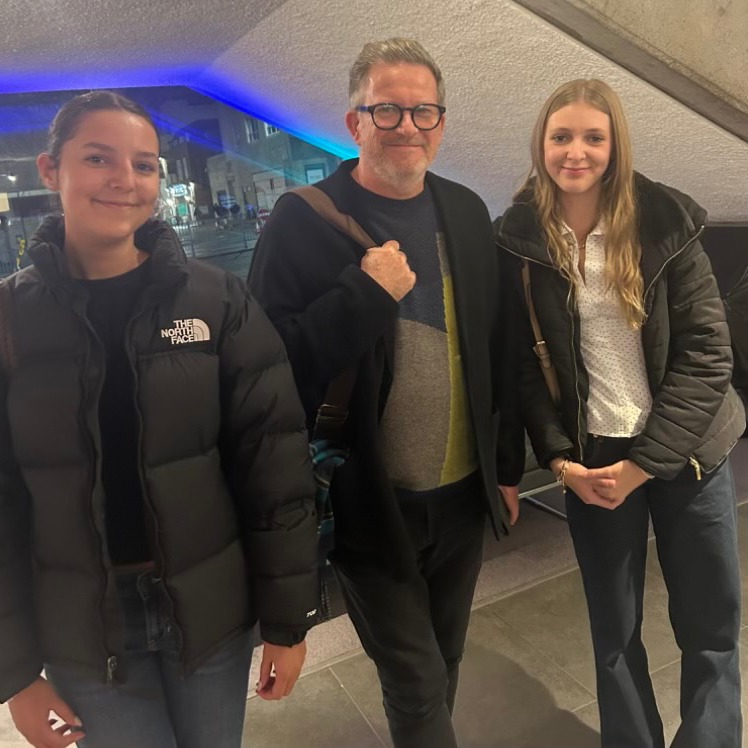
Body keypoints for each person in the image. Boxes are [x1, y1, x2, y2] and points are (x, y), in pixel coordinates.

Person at [0, 91, 318, 748]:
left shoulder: (216, 299)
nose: (125, 179)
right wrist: (14, 675)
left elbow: (274, 467)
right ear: (50, 169)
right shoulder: (9, 319)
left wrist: (289, 621)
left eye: (144, 164)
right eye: (98, 158)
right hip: (83, 629)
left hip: (209, 610)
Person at [249, 38, 525, 748]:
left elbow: (498, 347)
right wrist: (365, 295)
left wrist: (506, 467)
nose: (407, 126)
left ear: (442, 123)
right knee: (416, 679)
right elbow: (270, 368)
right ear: (355, 122)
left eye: (423, 111)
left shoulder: (466, 210)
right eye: (387, 110)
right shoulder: (301, 221)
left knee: (444, 657)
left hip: (463, 497)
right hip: (369, 502)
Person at [495, 79, 745, 748]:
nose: (575, 151)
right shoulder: (518, 240)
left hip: (691, 452)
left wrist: (643, 466)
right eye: (561, 136)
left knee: (710, 628)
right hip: (593, 459)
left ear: (616, 146)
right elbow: (525, 368)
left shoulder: (666, 221)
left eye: (592, 137)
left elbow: (708, 358)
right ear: (541, 145)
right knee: (614, 631)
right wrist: (559, 461)